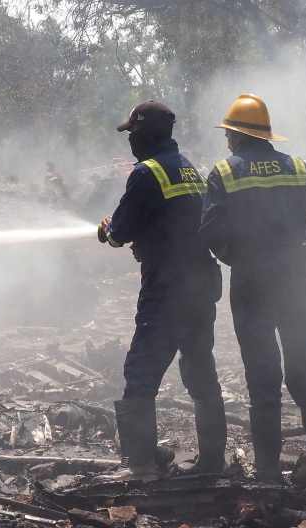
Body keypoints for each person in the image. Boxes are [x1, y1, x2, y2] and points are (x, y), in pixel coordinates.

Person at [200, 94, 306, 481]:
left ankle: (266, 474)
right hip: (294, 280)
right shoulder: (297, 167)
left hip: (251, 284)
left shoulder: (224, 173)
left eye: (228, 133)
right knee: (304, 373)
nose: (227, 140)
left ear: (236, 135)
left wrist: (237, 258)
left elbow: (211, 232)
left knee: (263, 381)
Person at [96, 101, 227, 480]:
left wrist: (108, 229)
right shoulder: (191, 169)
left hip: (167, 289)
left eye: (132, 133)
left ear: (145, 134)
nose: (130, 141)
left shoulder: (145, 173)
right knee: (201, 368)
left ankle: (140, 467)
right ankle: (212, 463)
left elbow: (119, 232)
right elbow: (184, 224)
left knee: (140, 372)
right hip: (202, 285)